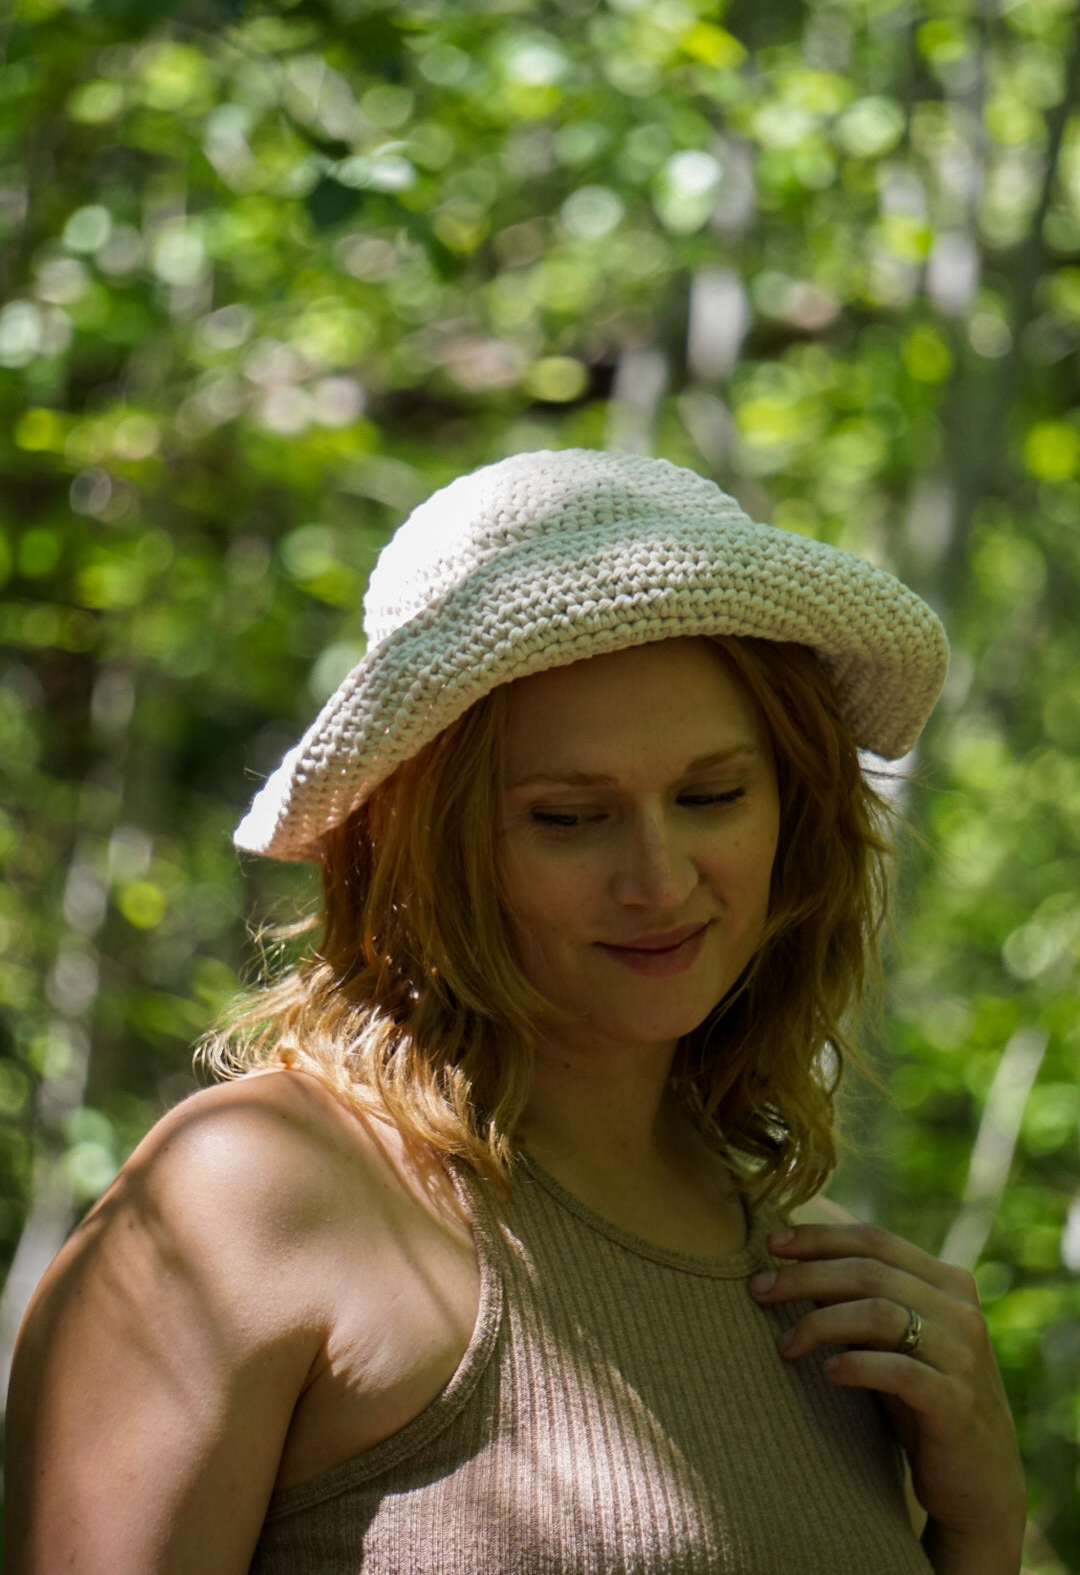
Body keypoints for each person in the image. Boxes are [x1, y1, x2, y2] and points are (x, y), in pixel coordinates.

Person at [7, 449, 1025, 1574]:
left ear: (797, 813)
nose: (659, 877)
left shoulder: (818, 1270)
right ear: (425, 848)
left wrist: (978, 1531)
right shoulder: (258, 1190)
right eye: (569, 816)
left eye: (711, 796)